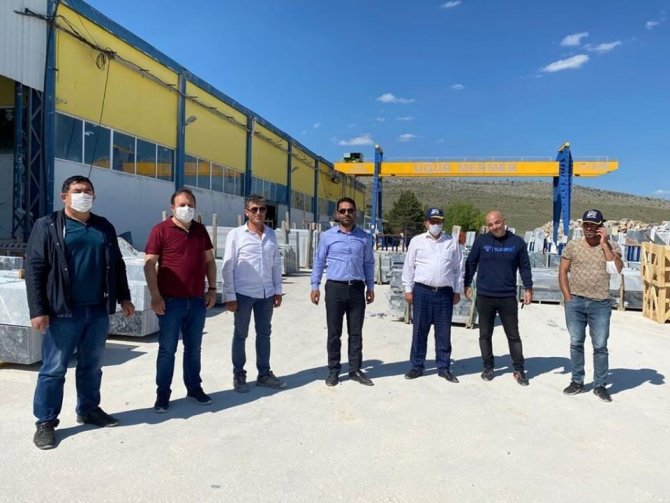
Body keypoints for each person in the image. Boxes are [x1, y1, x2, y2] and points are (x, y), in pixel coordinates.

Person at [25, 175, 135, 450]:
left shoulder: (103, 226)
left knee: (92, 366)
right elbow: (35, 268)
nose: (83, 195)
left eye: (88, 191)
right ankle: (45, 422)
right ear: (64, 197)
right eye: (77, 191)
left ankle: (88, 409)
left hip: (97, 310)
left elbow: (117, 265)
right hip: (63, 311)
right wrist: (38, 310)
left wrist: (124, 296)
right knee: (54, 369)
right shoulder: (48, 225)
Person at [144, 188, 217, 412]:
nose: (187, 208)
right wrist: (155, 296)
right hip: (170, 302)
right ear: (172, 208)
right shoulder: (160, 230)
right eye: (182, 205)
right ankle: (163, 393)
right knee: (167, 350)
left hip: (196, 301)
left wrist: (212, 289)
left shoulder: (200, 230)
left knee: (194, 349)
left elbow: (209, 261)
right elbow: (149, 264)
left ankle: (194, 387)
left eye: (190, 205)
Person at [222, 195, 286, 392]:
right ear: (246, 212)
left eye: (262, 209)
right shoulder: (236, 235)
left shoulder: (271, 234)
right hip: (243, 294)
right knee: (240, 335)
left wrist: (278, 290)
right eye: (254, 209)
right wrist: (230, 296)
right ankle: (239, 375)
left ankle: (264, 374)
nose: (259, 213)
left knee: (264, 334)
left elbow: (276, 264)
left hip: (266, 295)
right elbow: (228, 266)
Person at [558, 209, 622, 402]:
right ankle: (577, 381)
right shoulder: (573, 245)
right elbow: (562, 271)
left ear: (600, 226)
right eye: (586, 224)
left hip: (600, 304)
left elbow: (616, 270)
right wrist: (568, 297)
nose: (589, 228)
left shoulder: (611, 246)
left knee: (600, 346)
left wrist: (604, 245)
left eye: (593, 225)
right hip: (575, 302)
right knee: (576, 342)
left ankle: (600, 385)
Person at [310, 197, 375, 387]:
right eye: (343, 210)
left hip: (356, 288)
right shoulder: (327, 236)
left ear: (356, 213)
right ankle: (333, 370)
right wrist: (315, 286)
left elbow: (369, 263)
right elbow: (319, 261)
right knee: (334, 333)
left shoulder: (364, 238)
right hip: (335, 288)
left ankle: (355, 369)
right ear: (337, 214)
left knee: (355, 332)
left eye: (350, 210)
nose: (347, 214)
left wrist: (370, 287)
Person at [464, 210, 533, 386]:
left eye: (497, 222)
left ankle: (519, 369)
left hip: (507, 296)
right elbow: (471, 262)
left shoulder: (517, 242)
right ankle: (488, 366)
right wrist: (467, 284)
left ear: (504, 221)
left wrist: (528, 288)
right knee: (485, 334)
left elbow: (524, 266)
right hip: (485, 296)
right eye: (490, 224)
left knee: (513, 335)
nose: (495, 227)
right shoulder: (481, 241)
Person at [402, 208, 464, 383]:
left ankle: (443, 367)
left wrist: (457, 291)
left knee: (443, 332)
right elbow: (409, 267)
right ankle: (417, 366)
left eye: (439, 221)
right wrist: (408, 289)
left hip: (444, 293)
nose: (436, 224)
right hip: (422, 291)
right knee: (419, 331)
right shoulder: (417, 241)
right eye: (432, 221)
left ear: (443, 223)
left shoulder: (452, 243)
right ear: (426, 223)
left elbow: (458, 269)